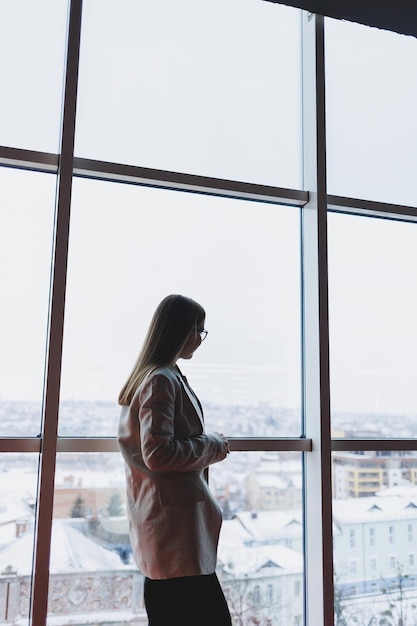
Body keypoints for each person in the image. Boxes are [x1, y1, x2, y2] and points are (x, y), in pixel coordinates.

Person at [117, 294, 232, 626]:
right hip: (175, 537)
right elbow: (159, 453)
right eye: (199, 329)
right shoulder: (161, 380)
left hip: (169, 533)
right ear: (181, 331)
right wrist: (214, 446)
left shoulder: (159, 376)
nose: (201, 338)